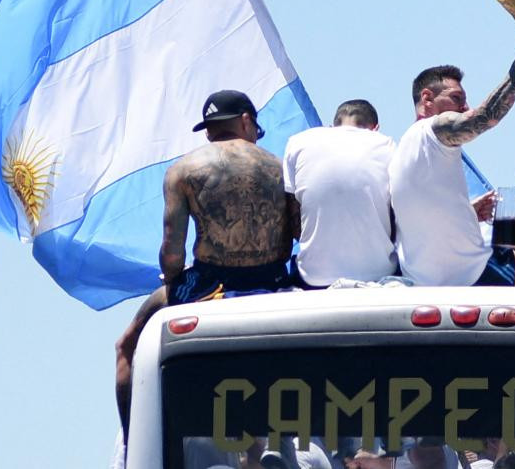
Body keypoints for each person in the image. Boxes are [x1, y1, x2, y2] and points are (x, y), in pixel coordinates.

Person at [115, 90, 295, 441]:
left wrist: (173, 284)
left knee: (126, 347)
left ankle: (131, 447)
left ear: (211, 129)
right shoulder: (280, 167)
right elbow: (296, 232)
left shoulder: (183, 170)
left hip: (210, 285)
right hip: (272, 280)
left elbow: (171, 252)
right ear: (246, 121)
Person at [389, 18, 515, 286]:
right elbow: (487, 116)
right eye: (456, 99)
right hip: (477, 276)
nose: (465, 108)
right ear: (427, 99)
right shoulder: (432, 130)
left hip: (421, 282)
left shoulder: (404, 151)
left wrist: (467, 211)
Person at [284, 99, 397, 288]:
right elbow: (396, 216)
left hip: (313, 278)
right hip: (379, 275)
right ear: (375, 128)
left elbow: (292, 217)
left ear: (333, 125)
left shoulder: (298, 142)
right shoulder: (386, 144)